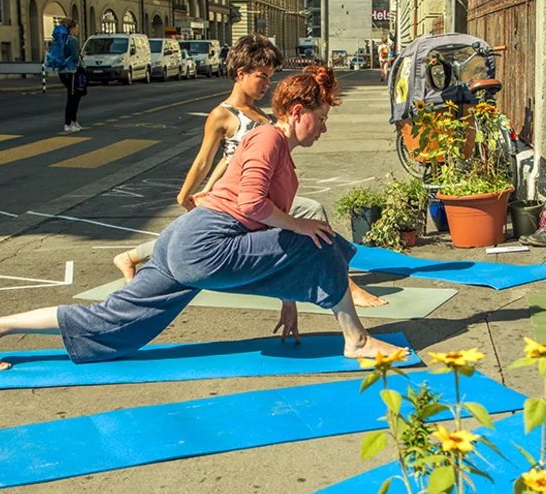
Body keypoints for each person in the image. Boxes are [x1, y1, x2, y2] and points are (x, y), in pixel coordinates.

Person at [0, 66, 410, 370]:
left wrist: (289, 299)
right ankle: (356, 340)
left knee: (114, 326)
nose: (326, 127)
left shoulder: (276, 148)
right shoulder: (268, 140)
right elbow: (256, 208)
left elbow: (271, 243)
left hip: (185, 242)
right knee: (323, 240)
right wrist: (302, 227)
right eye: (322, 118)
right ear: (297, 113)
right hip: (208, 244)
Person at [113, 33, 387, 309]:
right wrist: (188, 195)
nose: (267, 84)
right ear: (240, 74)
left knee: (203, 241)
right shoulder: (222, 114)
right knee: (307, 215)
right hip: (241, 195)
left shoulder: (261, 115)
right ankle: (344, 287)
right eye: (262, 76)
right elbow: (206, 160)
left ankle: (133, 256)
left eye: (270, 77)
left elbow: (231, 159)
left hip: (253, 191)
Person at [49, 18, 84, 132]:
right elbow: (75, 58)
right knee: (73, 97)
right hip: (71, 72)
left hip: (63, 72)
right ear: (72, 28)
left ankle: (73, 121)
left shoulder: (63, 40)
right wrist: (81, 55)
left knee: (72, 96)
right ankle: (69, 123)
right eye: (77, 28)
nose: (78, 30)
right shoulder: (72, 40)